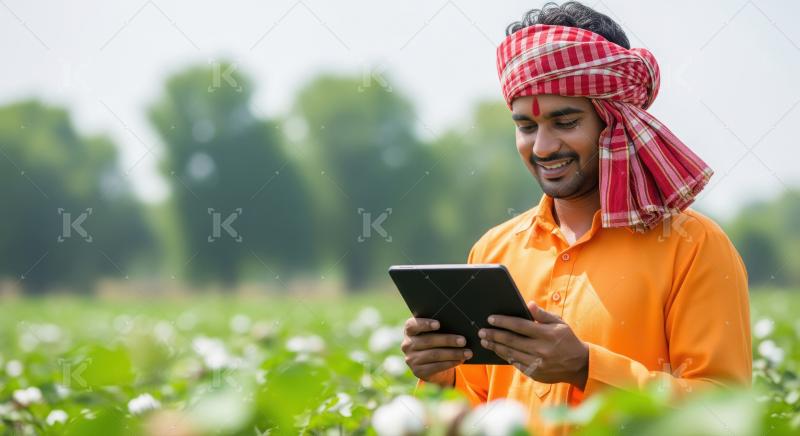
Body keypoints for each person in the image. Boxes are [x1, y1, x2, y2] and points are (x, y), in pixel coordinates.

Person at [400, 2, 752, 434]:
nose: (543, 147)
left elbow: (725, 414)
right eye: (526, 127)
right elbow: (475, 408)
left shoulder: (693, 246)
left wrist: (588, 368)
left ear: (616, 122)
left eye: (565, 121)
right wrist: (438, 376)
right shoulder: (493, 249)